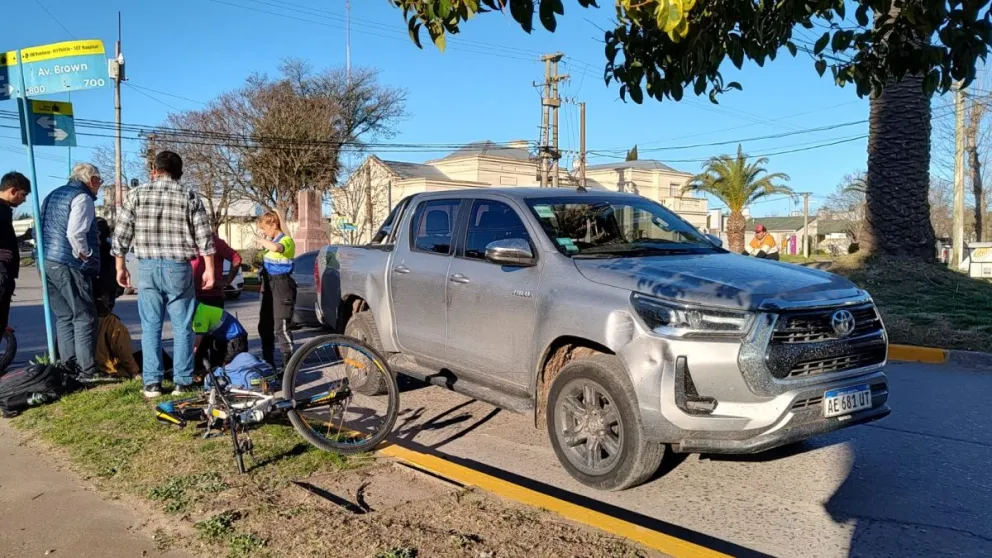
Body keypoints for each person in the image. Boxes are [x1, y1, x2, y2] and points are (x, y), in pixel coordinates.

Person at [112, 151, 216, 399]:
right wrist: (210, 269)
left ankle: (152, 383)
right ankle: (182, 381)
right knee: (183, 327)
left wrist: (120, 266)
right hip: (178, 267)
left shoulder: (136, 194)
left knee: (150, 326)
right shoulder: (189, 195)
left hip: (146, 266)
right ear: (179, 173)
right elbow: (204, 235)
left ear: (154, 170)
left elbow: (121, 233)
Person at [41, 163, 102, 382]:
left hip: (47, 260)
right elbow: (75, 232)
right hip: (70, 263)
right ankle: (86, 371)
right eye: (100, 182)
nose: (99, 187)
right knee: (84, 316)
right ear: (91, 180)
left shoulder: (52, 195)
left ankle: (69, 368)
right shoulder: (82, 197)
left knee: (65, 316)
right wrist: (85, 254)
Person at [256, 211, 296, 369]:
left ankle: (289, 368)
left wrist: (261, 240)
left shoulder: (286, 241)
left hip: (282, 285)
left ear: (274, 225)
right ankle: (269, 363)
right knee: (265, 325)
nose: (264, 232)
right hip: (268, 285)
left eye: (265, 228)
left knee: (282, 327)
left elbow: (277, 248)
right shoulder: (272, 240)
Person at [0, 172, 31, 338]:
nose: (24, 200)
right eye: (23, 195)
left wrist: (25, 237)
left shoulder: (5, 210)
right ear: (13, 190)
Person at [192, 301, 248, 370]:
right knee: (217, 365)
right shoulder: (199, 308)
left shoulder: (199, 316)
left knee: (231, 367)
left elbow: (195, 346)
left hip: (235, 339)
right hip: (223, 338)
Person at [192, 233, 241, 309]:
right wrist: (227, 281)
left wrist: (227, 281)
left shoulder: (216, 242)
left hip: (209, 296)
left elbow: (236, 259)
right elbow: (236, 259)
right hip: (198, 296)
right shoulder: (216, 242)